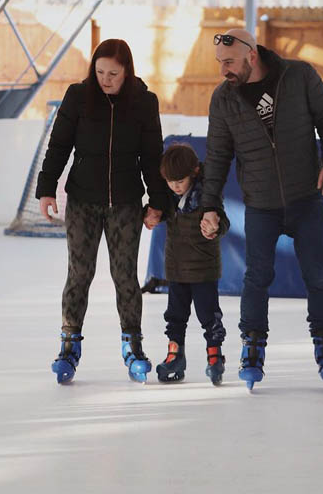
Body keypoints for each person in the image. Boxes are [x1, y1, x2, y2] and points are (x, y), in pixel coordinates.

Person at [200, 28, 323, 390]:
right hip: (261, 204)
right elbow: (217, 157)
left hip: (305, 197)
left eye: (229, 62)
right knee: (256, 278)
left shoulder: (299, 76)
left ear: (251, 55)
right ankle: (252, 346)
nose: (224, 71)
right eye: (220, 63)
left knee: (319, 276)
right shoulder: (223, 100)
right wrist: (210, 205)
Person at [36, 38, 167, 385]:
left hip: (125, 203)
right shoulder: (79, 97)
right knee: (80, 273)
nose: (105, 79)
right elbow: (59, 145)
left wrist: (158, 202)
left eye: (113, 73)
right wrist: (47, 189)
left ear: (127, 72)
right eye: (99, 72)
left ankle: (133, 345)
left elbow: (153, 156)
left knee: (125, 276)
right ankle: (68, 345)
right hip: (83, 201)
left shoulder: (143, 102)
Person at [154, 143, 229, 385]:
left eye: (180, 181)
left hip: (203, 271)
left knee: (209, 316)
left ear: (194, 172)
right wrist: (149, 213)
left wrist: (215, 228)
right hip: (176, 271)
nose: (175, 187)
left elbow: (222, 219)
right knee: (175, 316)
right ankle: (175, 355)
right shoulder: (169, 198)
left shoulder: (207, 196)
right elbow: (155, 211)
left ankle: (214, 356)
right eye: (170, 181)